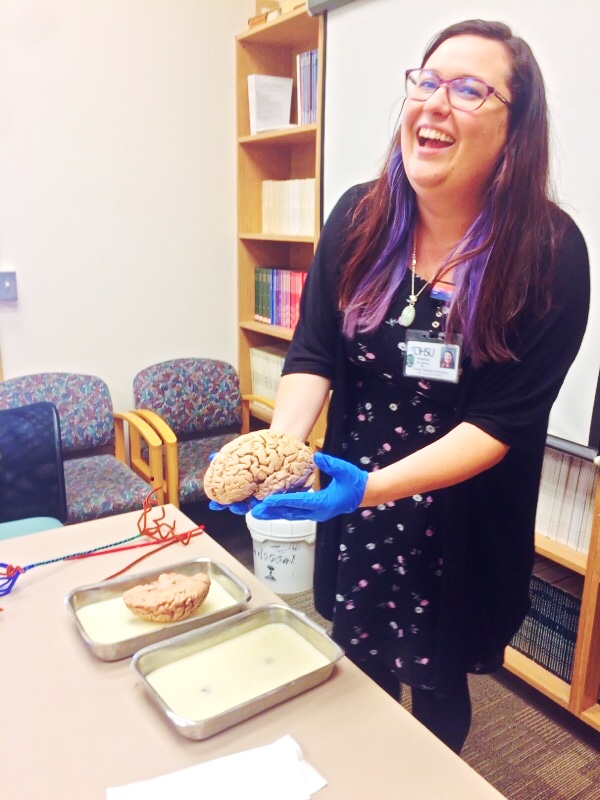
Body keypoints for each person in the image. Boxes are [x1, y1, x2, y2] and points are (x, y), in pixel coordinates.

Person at [213, 20, 590, 753]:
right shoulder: (360, 217)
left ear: (516, 129)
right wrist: (279, 447)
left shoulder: (548, 251)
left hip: (459, 519)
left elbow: (501, 422)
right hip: (359, 501)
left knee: (442, 682)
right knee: (362, 663)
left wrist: (369, 487)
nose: (435, 102)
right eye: (426, 80)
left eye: (469, 88)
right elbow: (315, 353)